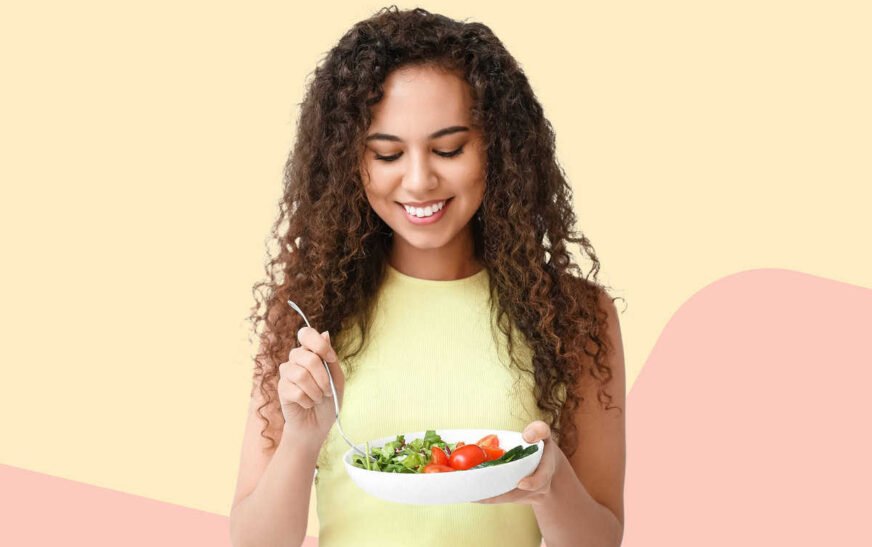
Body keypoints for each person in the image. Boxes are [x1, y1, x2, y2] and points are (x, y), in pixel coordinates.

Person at [229, 6, 626, 547]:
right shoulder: (305, 315)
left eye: (448, 149)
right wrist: (301, 440)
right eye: (387, 154)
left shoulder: (574, 315)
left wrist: (548, 486)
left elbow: (601, 539)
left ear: (499, 148)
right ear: (350, 161)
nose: (419, 181)